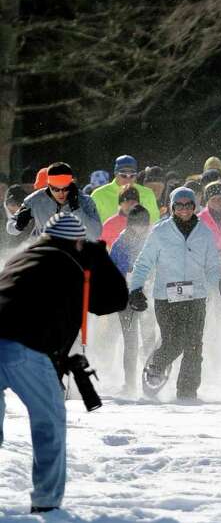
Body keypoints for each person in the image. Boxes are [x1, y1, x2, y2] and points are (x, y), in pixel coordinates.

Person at [0, 213, 128, 513]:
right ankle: (46, 502)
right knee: (49, 424)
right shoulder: (73, 262)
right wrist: (99, 255)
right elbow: (113, 300)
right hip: (27, 349)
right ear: (78, 242)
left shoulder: (22, 256)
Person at [128, 187, 221, 401]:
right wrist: (136, 289)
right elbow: (143, 264)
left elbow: (212, 267)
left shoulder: (204, 233)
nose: (184, 209)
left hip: (195, 297)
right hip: (167, 297)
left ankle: (187, 393)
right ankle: (157, 366)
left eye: (188, 205)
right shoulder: (160, 232)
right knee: (175, 340)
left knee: (194, 344)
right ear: (172, 207)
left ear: (195, 207)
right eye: (179, 205)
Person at [109, 205, 155, 394]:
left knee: (150, 338)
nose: (140, 228)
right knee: (130, 341)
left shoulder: (153, 239)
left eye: (143, 224)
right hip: (126, 298)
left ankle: (152, 379)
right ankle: (130, 383)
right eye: (136, 224)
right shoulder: (121, 242)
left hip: (150, 295)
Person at [8, 163, 102, 241]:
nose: (61, 193)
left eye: (65, 188)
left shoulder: (85, 200)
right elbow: (10, 228)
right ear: (48, 185)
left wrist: (76, 210)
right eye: (55, 189)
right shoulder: (34, 200)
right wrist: (18, 225)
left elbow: (95, 235)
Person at [90, 155, 161, 225]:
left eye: (132, 175)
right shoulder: (98, 195)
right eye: (123, 175)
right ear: (115, 174)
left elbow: (155, 223)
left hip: (140, 235)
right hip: (107, 235)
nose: (128, 179)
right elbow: (90, 224)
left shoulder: (147, 193)